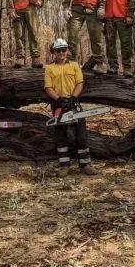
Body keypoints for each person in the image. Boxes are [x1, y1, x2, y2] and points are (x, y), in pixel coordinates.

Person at [44, 38, 98, 177]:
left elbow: (80, 83)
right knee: (61, 135)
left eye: (63, 50)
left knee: (81, 134)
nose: (61, 53)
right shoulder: (49, 68)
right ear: (54, 52)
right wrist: (59, 99)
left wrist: (73, 97)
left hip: (74, 102)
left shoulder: (74, 65)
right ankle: (64, 165)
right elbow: (48, 87)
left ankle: (85, 164)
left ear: (67, 51)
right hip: (58, 103)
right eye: (58, 50)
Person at [103, 0, 135, 76]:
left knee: (126, 43)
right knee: (110, 43)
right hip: (109, 17)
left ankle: (127, 68)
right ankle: (113, 66)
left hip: (123, 17)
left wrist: (130, 15)